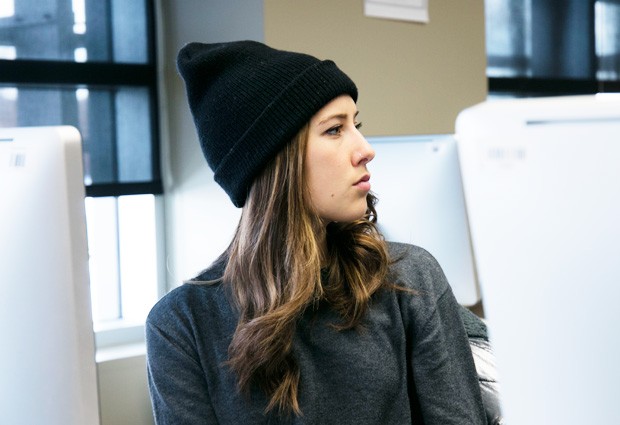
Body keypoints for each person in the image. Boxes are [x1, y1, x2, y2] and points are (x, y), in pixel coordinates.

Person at [146, 40, 487, 424]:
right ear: (276, 160)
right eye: (335, 130)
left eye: (356, 125)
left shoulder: (410, 280)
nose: (366, 149)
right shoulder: (180, 324)